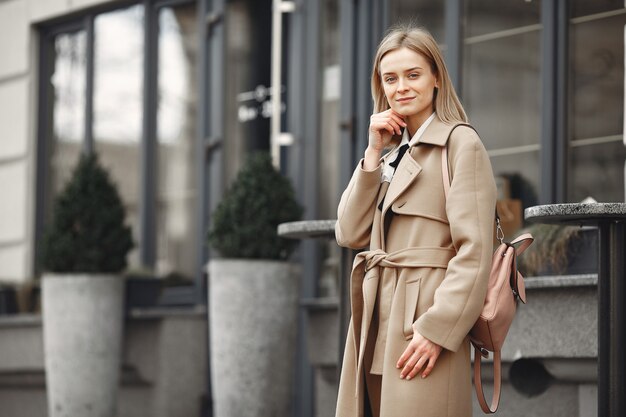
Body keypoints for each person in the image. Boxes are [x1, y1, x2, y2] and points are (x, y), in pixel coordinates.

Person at [334, 25, 497, 417]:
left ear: (436, 78)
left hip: (424, 319)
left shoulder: (460, 143)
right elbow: (349, 232)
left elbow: (474, 252)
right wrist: (372, 154)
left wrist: (437, 329)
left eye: (413, 74)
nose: (401, 87)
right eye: (390, 78)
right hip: (376, 319)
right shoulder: (389, 152)